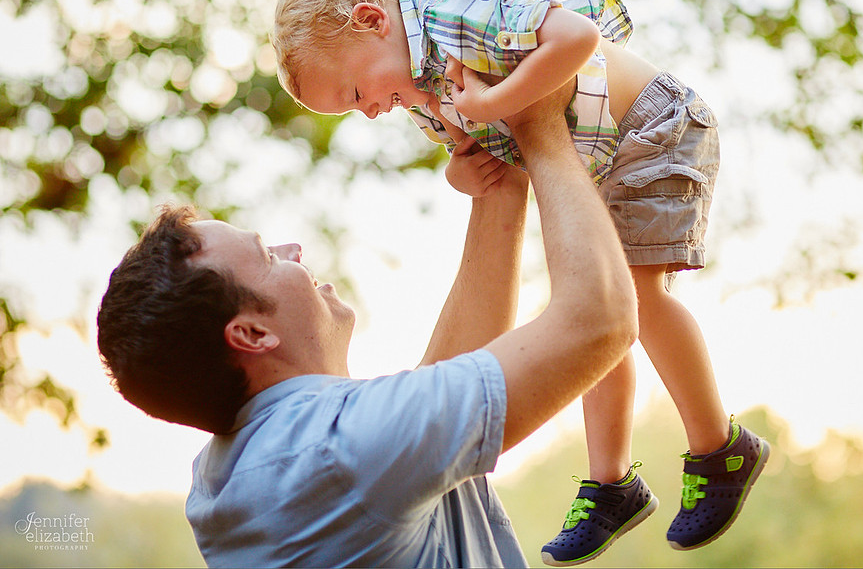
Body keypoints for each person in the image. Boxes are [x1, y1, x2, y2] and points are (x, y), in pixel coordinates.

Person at [270, 0, 771, 565]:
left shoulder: (455, 15)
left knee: (636, 296)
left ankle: (719, 447)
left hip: (651, 127)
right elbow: (470, 147)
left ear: (372, 19)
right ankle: (612, 483)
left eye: (355, 94)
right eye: (354, 110)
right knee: (590, 310)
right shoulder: (415, 90)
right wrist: (461, 169)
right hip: (597, 157)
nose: (370, 111)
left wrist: (498, 101)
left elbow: (578, 39)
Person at [95, 88, 639, 568]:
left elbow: (447, 378)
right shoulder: (333, 454)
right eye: (267, 255)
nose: (295, 251)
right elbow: (600, 320)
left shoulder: (249, 471)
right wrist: (539, 120)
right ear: (253, 335)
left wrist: (500, 181)